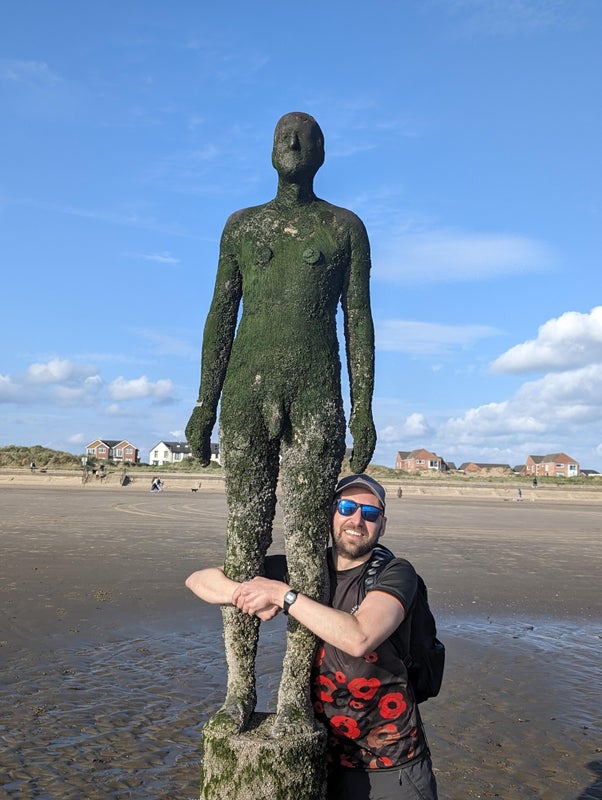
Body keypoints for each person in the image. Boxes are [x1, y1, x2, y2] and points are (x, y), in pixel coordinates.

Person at [185, 112, 376, 733]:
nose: (293, 142)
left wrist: (364, 407)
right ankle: (239, 688)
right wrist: (204, 404)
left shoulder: (343, 228)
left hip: (316, 398)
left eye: (305, 136)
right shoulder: (243, 227)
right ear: (271, 152)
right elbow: (220, 316)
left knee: (306, 543)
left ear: (322, 153)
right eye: (283, 136)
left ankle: (295, 690)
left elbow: (358, 321)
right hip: (247, 395)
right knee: (243, 541)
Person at [186, 474, 438, 800]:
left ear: (382, 525)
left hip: (392, 764)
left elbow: (360, 637)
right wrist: (244, 594)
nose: (357, 520)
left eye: (370, 513)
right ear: (331, 513)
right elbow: (199, 580)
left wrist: (282, 595)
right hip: (320, 757)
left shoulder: (396, 572)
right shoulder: (304, 569)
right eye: (346, 508)